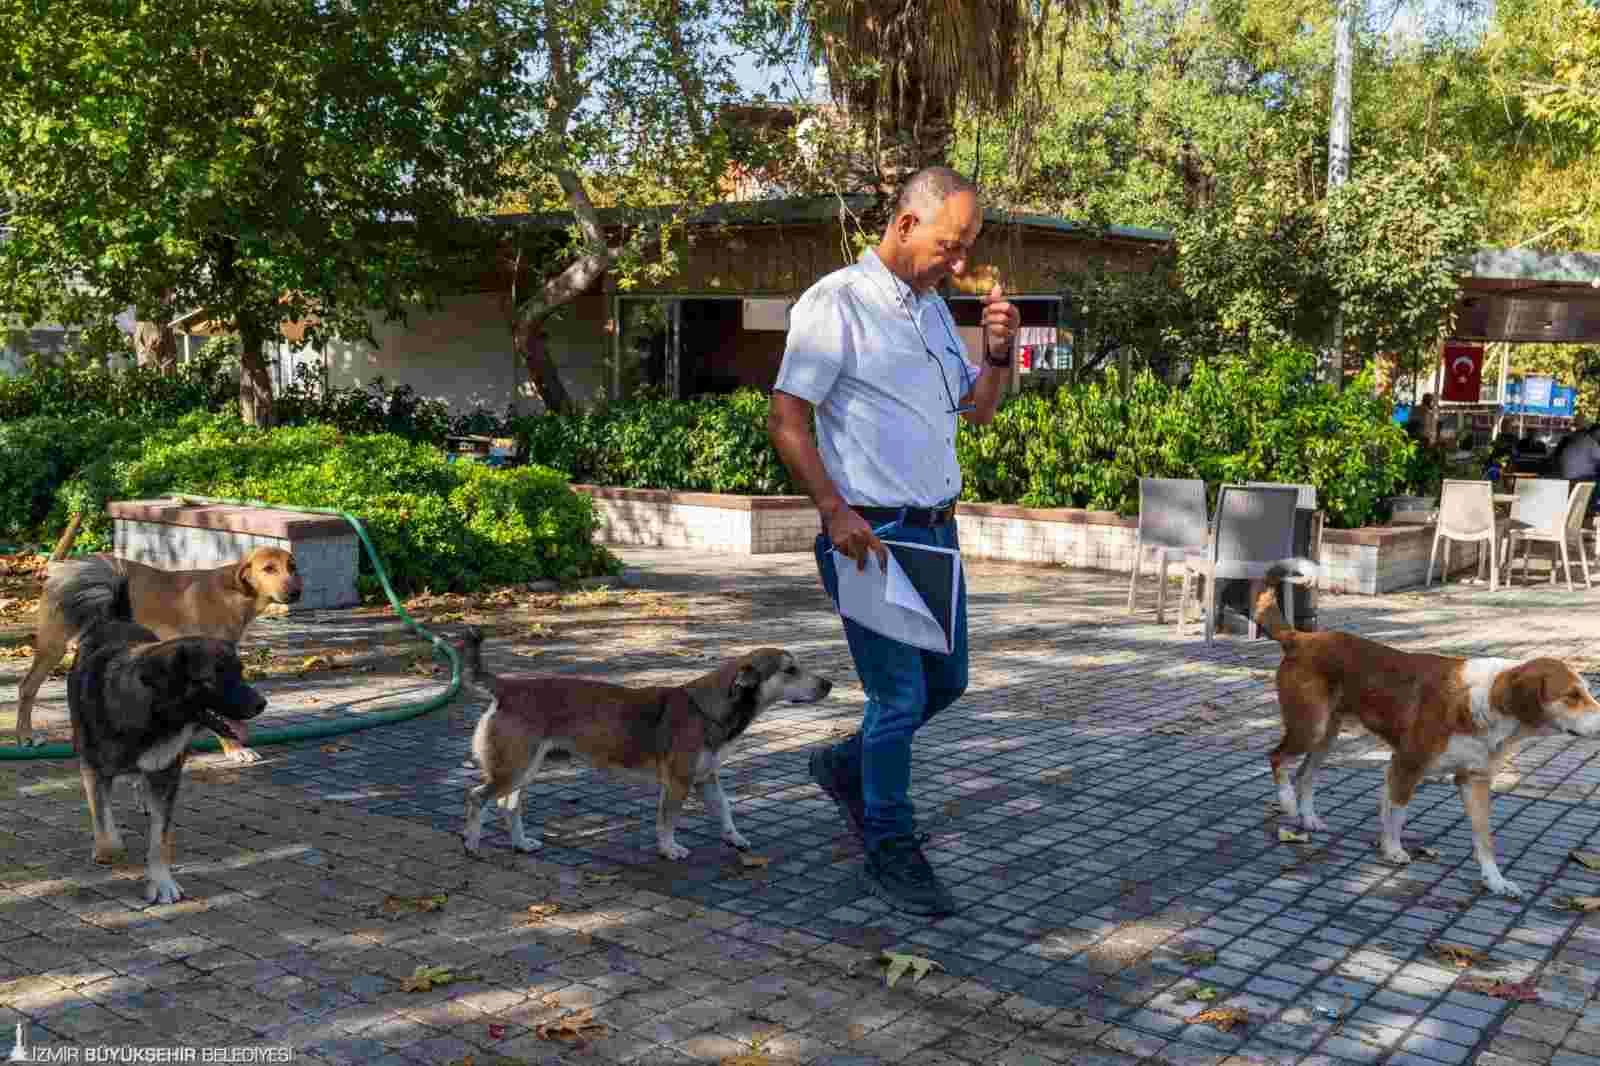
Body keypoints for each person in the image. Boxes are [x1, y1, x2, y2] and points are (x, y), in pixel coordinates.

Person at [766, 166, 1019, 916]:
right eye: (951, 244)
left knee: (948, 683)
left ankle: (846, 764)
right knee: (899, 695)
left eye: (968, 246)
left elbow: (977, 411)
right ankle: (889, 846)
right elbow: (787, 418)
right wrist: (832, 509)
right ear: (907, 225)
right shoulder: (835, 303)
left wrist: (999, 357)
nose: (961, 262)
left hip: (936, 534)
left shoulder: (936, 312)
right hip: (869, 537)